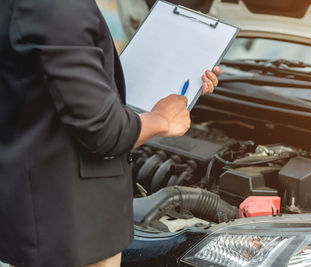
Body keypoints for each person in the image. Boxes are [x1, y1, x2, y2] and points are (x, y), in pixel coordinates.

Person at [0, 1, 221, 266]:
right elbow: (103, 130)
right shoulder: (59, 6)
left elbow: (43, 89)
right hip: (71, 232)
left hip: (38, 214)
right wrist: (161, 119)